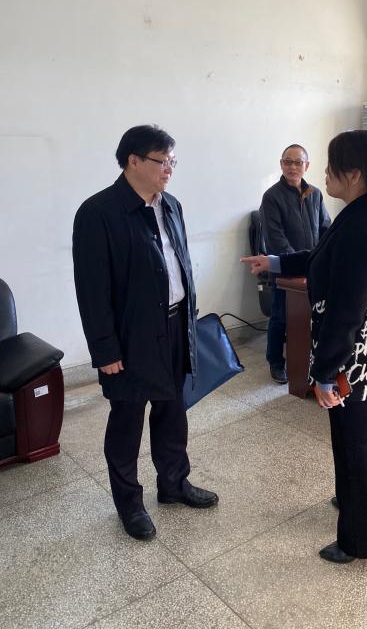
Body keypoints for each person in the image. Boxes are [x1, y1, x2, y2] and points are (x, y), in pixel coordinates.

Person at [242, 130, 367, 563]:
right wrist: (274, 262)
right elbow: (322, 256)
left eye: (331, 166)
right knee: (364, 438)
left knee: (354, 446)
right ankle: (354, 500)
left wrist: (323, 373)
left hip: (354, 359)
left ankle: (364, 540)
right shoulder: (366, 214)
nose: (323, 173)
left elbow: (345, 313)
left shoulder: (360, 225)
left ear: (352, 174)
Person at [73, 125, 218, 541]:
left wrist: (189, 323)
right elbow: (92, 290)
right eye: (162, 161)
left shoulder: (171, 205)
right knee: (127, 420)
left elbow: (181, 265)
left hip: (174, 326)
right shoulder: (98, 212)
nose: (169, 169)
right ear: (133, 161)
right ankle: (129, 504)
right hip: (130, 335)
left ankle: (173, 483)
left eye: (173, 161)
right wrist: (105, 349)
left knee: (173, 411)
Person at [260, 144, 331, 383]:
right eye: (288, 162)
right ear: (281, 164)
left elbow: (326, 229)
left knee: (311, 317)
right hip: (285, 269)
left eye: (298, 162)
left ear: (306, 166)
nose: (292, 167)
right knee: (280, 317)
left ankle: (305, 363)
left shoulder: (315, 194)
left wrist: (324, 259)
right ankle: (275, 362)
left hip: (312, 269)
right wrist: (295, 264)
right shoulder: (271, 197)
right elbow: (275, 238)